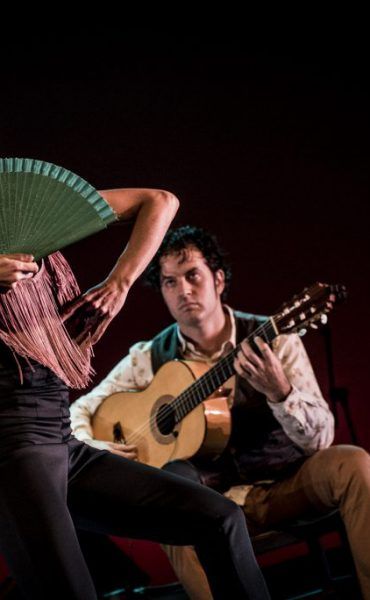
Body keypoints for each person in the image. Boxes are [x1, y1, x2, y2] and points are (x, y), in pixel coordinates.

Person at [71, 225, 370, 600]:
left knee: (354, 464)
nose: (183, 290)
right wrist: (99, 447)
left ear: (218, 279)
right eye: (169, 282)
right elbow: (78, 410)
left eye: (192, 275)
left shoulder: (276, 338)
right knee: (170, 512)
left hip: (284, 486)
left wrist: (281, 392)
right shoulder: (146, 357)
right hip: (211, 507)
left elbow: (320, 440)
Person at [0, 196, 271, 600]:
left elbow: (159, 201)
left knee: (221, 519)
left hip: (61, 443)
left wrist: (119, 284)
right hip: (13, 454)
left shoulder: (30, 206)